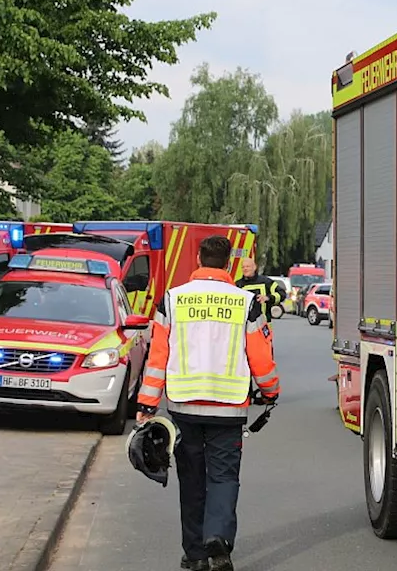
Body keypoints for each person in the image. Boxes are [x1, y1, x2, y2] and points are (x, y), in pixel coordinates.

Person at [136, 236, 281, 571]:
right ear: (229, 263)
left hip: (184, 407)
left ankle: (196, 554)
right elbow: (261, 356)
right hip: (228, 409)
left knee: (192, 479)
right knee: (224, 476)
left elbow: (158, 357)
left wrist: (147, 403)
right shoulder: (246, 303)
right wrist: (270, 392)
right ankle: (218, 540)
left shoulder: (172, 300)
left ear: (199, 258)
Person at [236, 258, 285, 324]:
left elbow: (282, 294)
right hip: (244, 324)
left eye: (248, 266)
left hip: (263, 325)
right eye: (243, 267)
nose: (245, 269)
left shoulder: (265, 282)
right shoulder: (238, 285)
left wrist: (268, 298)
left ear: (254, 267)